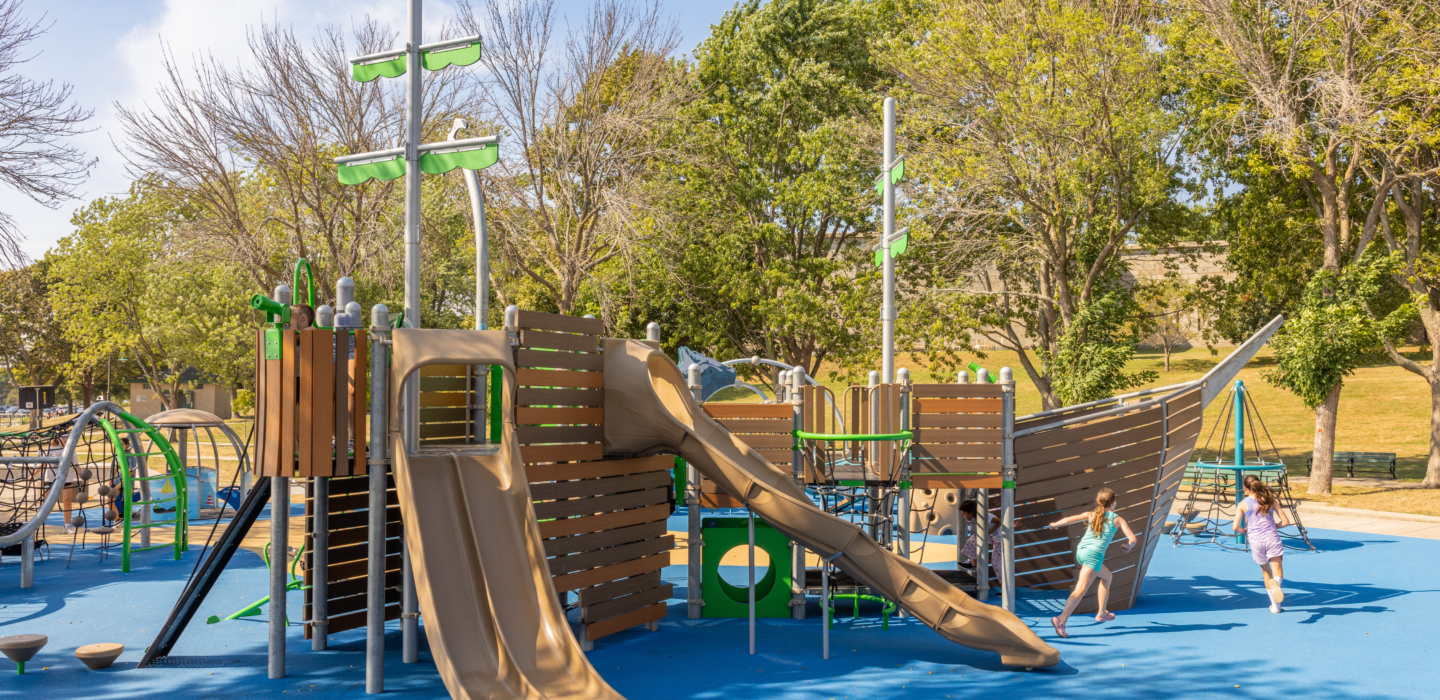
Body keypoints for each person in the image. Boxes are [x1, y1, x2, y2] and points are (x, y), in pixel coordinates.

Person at [1045, 487, 1136, 638]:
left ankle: (1102, 613)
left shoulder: (1092, 514)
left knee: (1107, 577)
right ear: (1114, 503)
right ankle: (1061, 620)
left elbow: (1068, 519)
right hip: (1093, 556)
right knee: (1080, 589)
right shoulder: (1117, 519)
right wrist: (1128, 546)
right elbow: (1133, 539)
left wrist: (1055, 524)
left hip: (1081, 552)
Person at [1233, 474, 1292, 613]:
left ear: (1245, 488)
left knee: (1266, 572)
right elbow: (1286, 522)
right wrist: (1274, 526)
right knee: (1277, 573)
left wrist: (1247, 531)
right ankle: (1276, 582)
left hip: (1255, 542)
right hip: (1272, 539)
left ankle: (1275, 607)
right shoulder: (1270, 500)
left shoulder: (1242, 504)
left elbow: (1235, 527)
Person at [40, 436, 79, 533]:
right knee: (46, 502)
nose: (66, 439)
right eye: (63, 437)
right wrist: (31, 476)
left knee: (67, 501)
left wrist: (83, 476)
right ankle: (38, 522)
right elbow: (43, 464)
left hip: (66, 478)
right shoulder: (50, 450)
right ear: (58, 438)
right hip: (51, 478)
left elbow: (76, 465)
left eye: (67, 437)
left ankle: (67, 526)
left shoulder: (71, 450)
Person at [958, 498, 1001, 579]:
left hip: (1000, 539)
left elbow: (1000, 521)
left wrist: (990, 531)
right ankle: (972, 563)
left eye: (964, 514)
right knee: (975, 538)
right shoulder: (978, 517)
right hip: (994, 537)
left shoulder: (985, 516)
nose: (964, 516)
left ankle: (1004, 584)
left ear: (970, 512)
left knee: (995, 562)